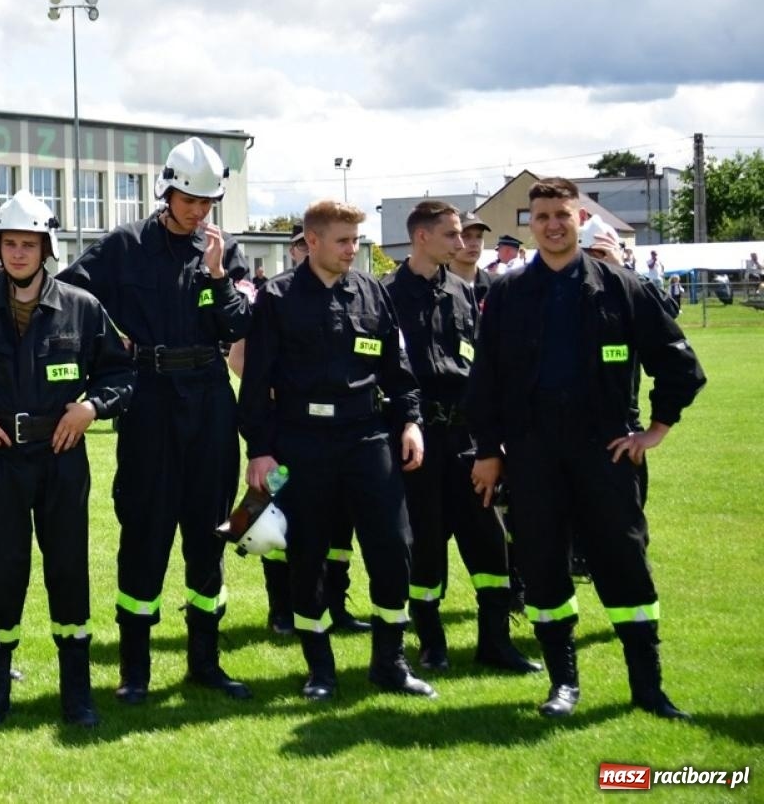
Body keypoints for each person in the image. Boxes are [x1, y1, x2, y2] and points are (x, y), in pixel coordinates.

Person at [467, 177, 706, 720]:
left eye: (562, 215)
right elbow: (485, 381)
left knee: (624, 563)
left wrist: (655, 430)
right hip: (531, 452)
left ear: (580, 220)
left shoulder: (623, 287)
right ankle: (563, 684)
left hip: (607, 450)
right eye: (542, 215)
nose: (553, 224)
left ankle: (647, 688)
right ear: (532, 223)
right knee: (542, 563)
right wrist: (488, 449)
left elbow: (679, 365)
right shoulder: (507, 293)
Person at [0, 190, 135, 728]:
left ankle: (77, 695)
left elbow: (120, 374)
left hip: (63, 460)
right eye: (9, 243)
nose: (18, 253)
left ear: (47, 248)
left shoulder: (83, 308)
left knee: (68, 571)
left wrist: (91, 406)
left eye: (29, 244)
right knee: (1, 573)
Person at [58, 137, 254, 704]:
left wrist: (217, 276)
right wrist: (107, 341)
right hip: (148, 401)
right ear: (165, 191)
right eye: (187, 200)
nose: (197, 212)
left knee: (210, 533)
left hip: (210, 401)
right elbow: (69, 293)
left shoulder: (223, 251)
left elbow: (236, 327)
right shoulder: (123, 247)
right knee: (144, 532)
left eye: (206, 203)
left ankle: (205, 663)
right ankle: (134, 672)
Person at [240, 200, 434, 702]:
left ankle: (390, 663)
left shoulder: (371, 292)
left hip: (367, 437)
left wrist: (410, 421)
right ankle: (319, 669)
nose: (353, 250)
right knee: (308, 559)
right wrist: (259, 451)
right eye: (344, 241)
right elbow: (255, 383)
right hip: (301, 442)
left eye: (356, 241)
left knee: (394, 547)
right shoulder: (278, 298)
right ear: (312, 241)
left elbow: (398, 369)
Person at [381, 202, 538, 677]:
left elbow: (483, 369)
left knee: (489, 542)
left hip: (467, 438)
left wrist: (496, 440)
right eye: (451, 235)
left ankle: (496, 643)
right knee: (425, 545)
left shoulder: (461, 291)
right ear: (422, 237)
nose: (462, 243)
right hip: (417, 438)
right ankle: (432, 644)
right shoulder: (385, 294)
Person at [232, 227, 370, 639]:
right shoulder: (271, 296)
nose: (299, 251)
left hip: (336, 431)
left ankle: (335, 603)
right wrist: (277, 391)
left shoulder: (344, 293)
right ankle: (282, 609)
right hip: (282, 426)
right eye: (295, 245)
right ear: (300, 249)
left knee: (338, 524)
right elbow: (241, 359)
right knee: (275, 517)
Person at [449, 211, 494, 307]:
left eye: (479, 236)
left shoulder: (495, 286)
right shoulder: (437, 285)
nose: (474, 243)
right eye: (466, 236)